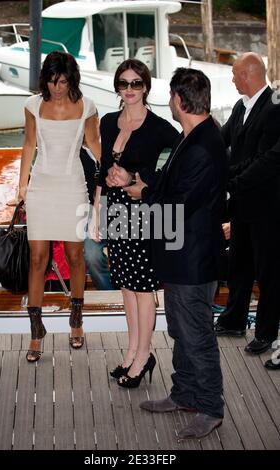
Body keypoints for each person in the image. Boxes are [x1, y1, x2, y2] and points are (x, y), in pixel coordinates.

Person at [110, 67, 227, 439]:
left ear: (178, 100)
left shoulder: (204, 144)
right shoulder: (193, 136)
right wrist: (138, 181)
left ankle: (210, 406)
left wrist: (140, 192)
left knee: (196, 333)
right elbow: (171, 181)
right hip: (181, 255)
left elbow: (179, 202)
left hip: (194, 258)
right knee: (179, 328)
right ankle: (184, 393)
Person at [93, 58, 179, 387]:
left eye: (136, 83)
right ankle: (131, 351)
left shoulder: (159, 128)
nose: (129, 89)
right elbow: (102, 168)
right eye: (124, 83)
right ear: (117, 86)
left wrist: (138, 177)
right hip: (114, 209)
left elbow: (174, 167)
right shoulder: (109, 121)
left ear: (145, 87)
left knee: (144, 289)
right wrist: (96, 210)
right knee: (126, 286)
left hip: (143, 213)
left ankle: (144, 355)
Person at [18, 51, 100, 362]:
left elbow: (94, 144)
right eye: (52, 82)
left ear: (71, 79)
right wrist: (22, 186)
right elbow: (29, 144)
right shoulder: (32, 105)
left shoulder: (87, 106)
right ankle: (36, 330)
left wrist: (115, 169)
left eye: (63, 81)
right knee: (37, 258)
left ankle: (76, 319)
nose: (57, 88)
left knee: (75, 254)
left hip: (72, 188)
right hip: (41, 188)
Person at [214, 52, 280, 356]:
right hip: (241, 203)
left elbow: (267, 159)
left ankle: (266, 331)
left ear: (251, 74)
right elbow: (221, 141)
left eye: (236, 73)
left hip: (267, 205)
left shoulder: (274, 108)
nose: (232, 78)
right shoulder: (241, 107)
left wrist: (230, 181)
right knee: (238, 265)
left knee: (267, 271)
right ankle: (234, 319)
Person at [80, 146, 113, 290]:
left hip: (125, 206)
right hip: (90, 210)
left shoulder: (115, 144)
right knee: (92, 254)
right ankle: (108, 292)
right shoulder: (76, 153)